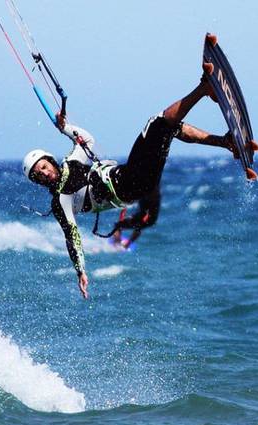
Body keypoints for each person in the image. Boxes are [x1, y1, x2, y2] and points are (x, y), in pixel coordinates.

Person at [22, 75, 236, 299]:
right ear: (38, 182)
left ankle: (225, 142)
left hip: (133, 177)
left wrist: (65, 128)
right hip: (128, 186)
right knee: (157, 123)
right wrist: (81, 271)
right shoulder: (60, 201)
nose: (44, 173)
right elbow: (72, 235)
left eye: (43, 167)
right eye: (38, 175)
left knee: (168, 128)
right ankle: (203, 88)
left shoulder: (71, 162)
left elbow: (87, 140)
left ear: (49, 160)